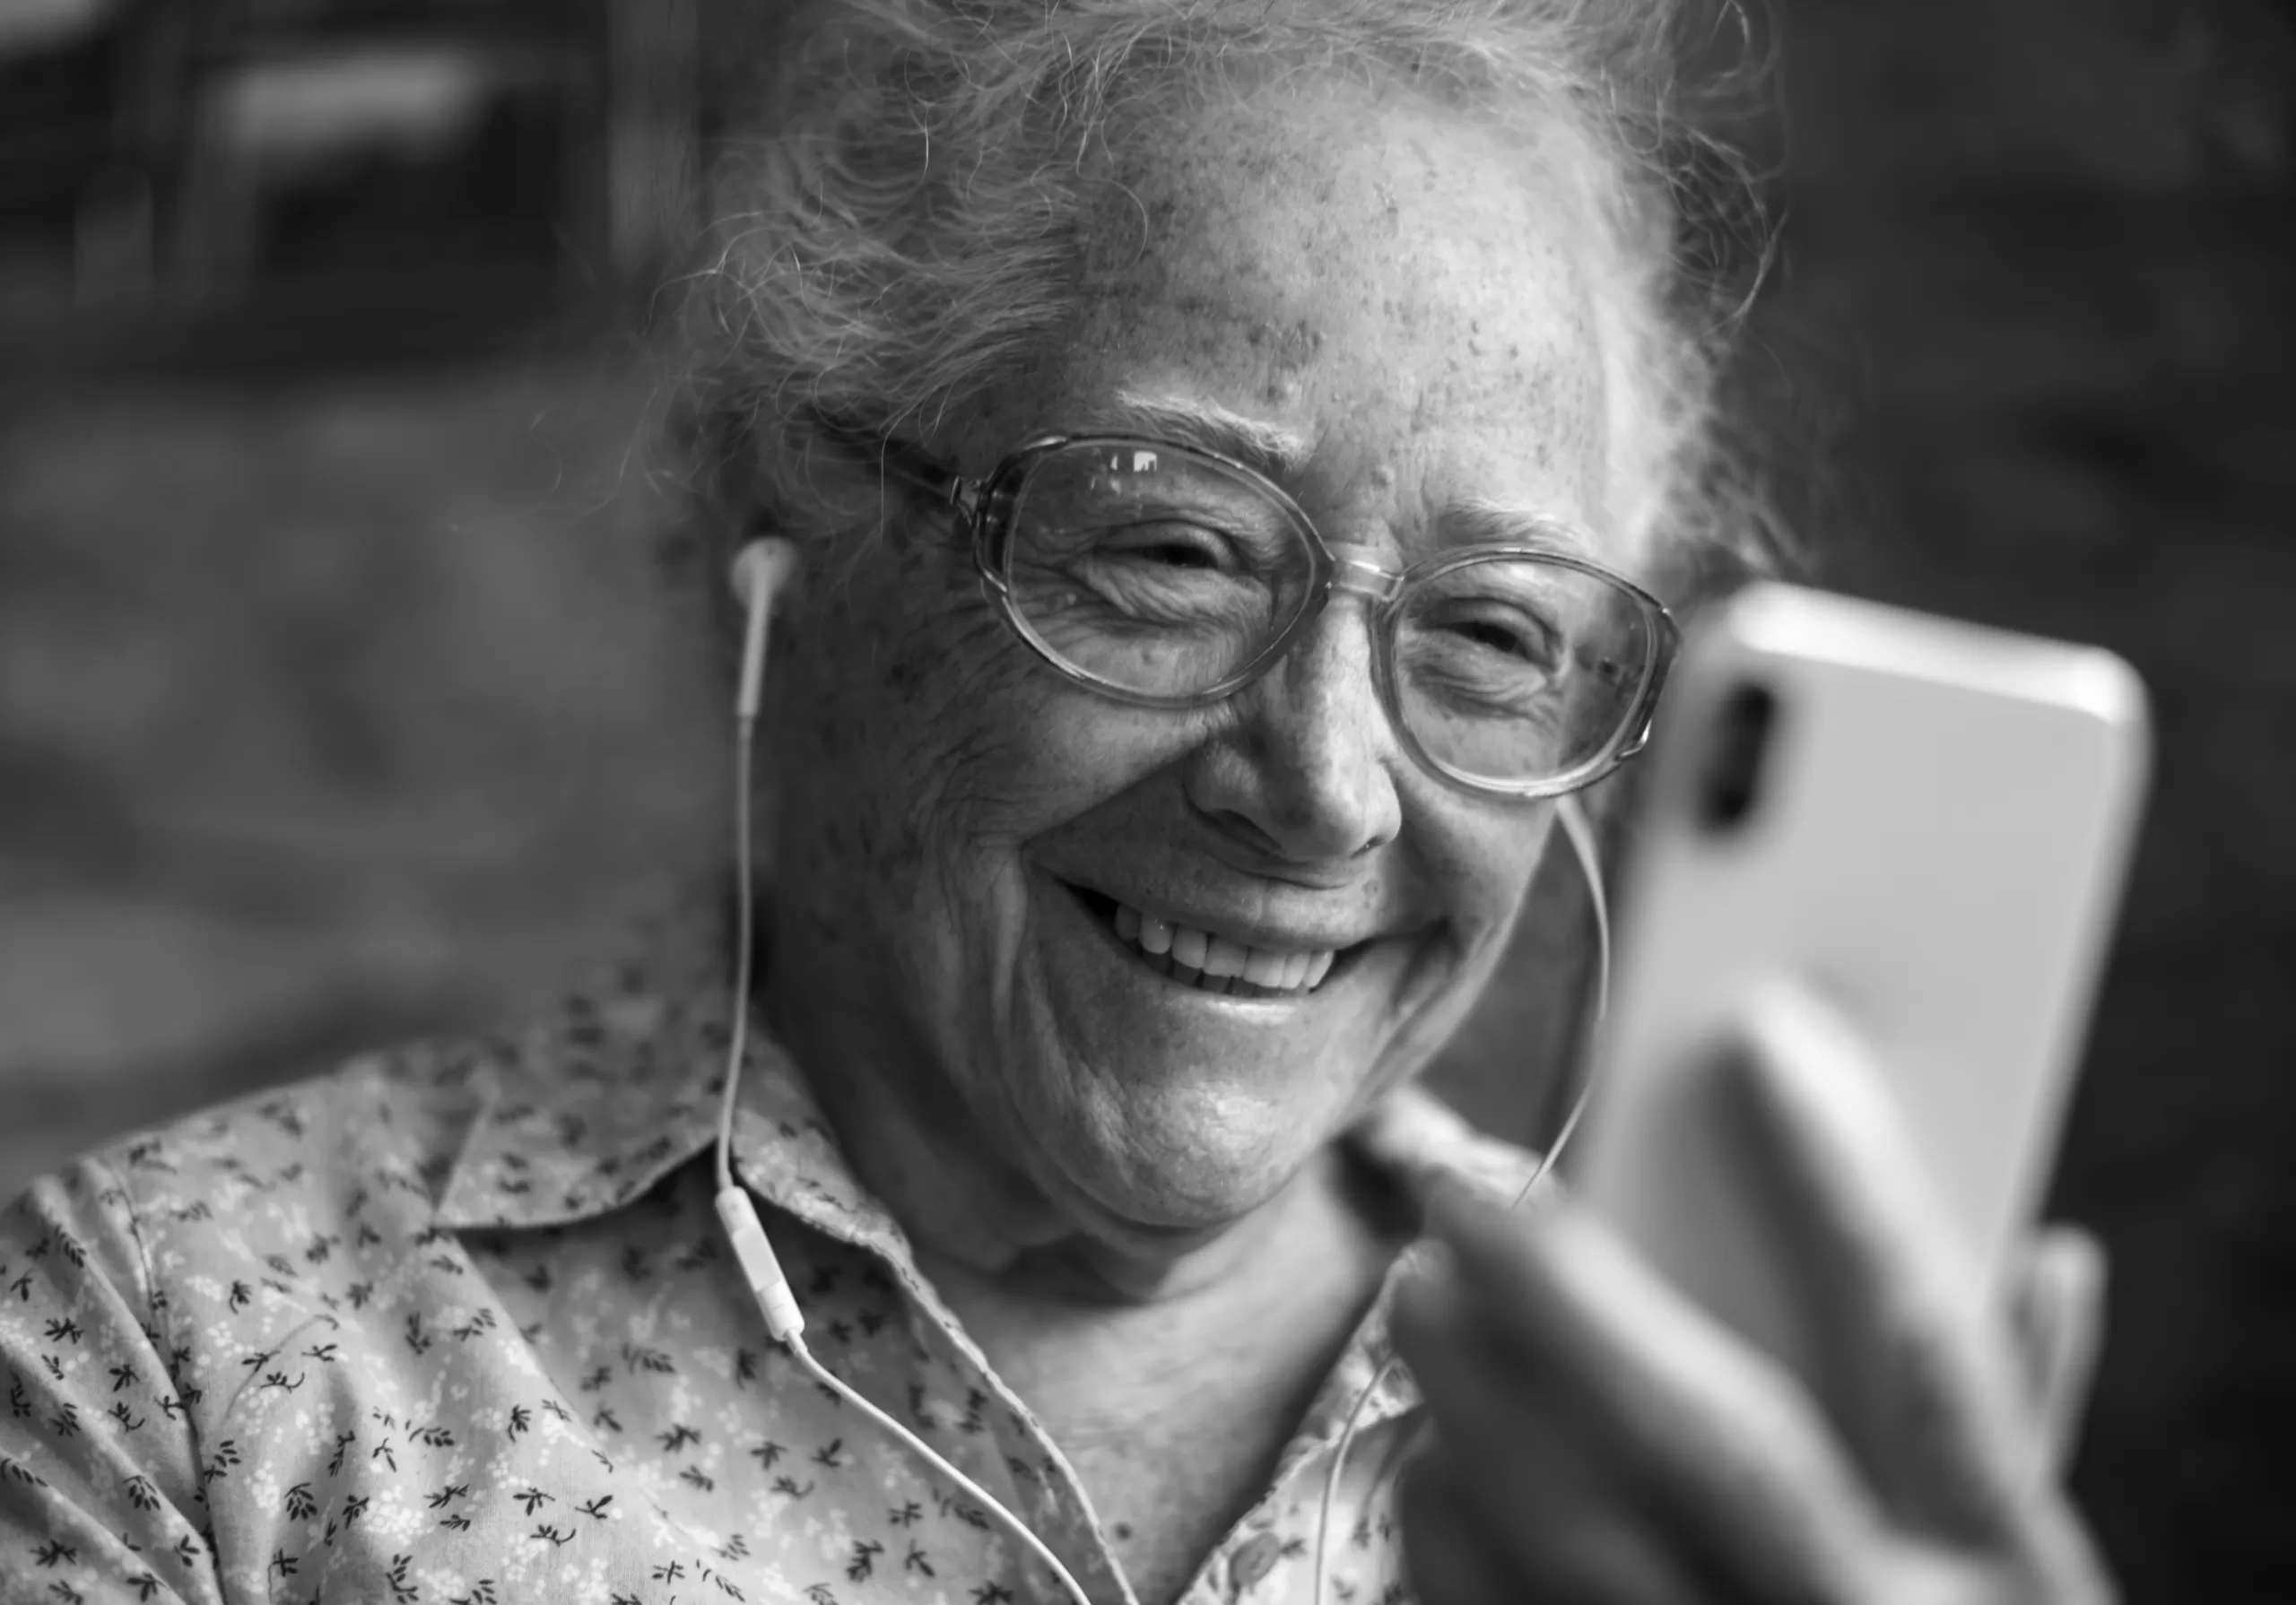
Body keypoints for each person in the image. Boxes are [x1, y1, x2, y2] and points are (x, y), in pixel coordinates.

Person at [0, 3, 2112, 1602]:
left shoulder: (1697, 1449)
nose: (1324, 789)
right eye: (1168, 549)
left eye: (1487, 634)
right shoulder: (172, 1339)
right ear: (788, 524)